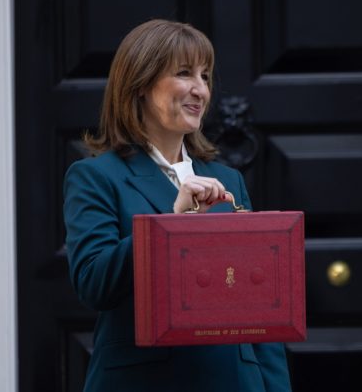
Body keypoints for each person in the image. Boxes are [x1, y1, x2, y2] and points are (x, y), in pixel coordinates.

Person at [63, 19, 292, 392]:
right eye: (185, 73)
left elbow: (260, 304)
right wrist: (172, 223)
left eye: (205, 76)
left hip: (235, 381)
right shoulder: (95, 176)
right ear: (140, 84)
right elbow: (94, 284)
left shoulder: (229, 180)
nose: (200, 89)